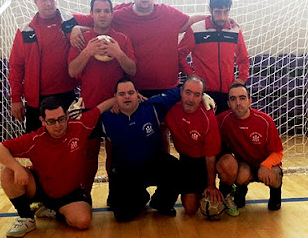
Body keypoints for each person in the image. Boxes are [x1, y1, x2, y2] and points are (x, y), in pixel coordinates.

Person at [0, 95, 115, 237]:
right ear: (42, 121)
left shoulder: (80, 126)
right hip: (41, 188)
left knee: (83, 221)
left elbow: (100, 108)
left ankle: (54, 210)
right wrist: (17, 168)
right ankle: (26, 217)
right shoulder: (35, 139)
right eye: (51, 121)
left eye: (61, 119)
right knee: (8, 172)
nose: (58, 125)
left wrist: (121, 98)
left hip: (70, 193)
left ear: (67, 115)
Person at [71, 0, 206, 97]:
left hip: (168, 89)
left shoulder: (169, 13)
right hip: (133, 92)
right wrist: (76, 28)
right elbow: (96, 22)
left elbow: (190, 21)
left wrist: (218, 18)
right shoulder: (118, 15)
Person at [68, 0, 136, 194]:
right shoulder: (83, 39)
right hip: (90, 106)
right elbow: (72, 71)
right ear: (91, 14)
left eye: (106, 11)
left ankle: (115, 195)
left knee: (115, 154)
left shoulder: (122, 39)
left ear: (112, 13)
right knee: (89, 155)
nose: (102, 15)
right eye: (98, 11)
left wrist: (119, 53)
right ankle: (85, 195)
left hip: (117, 107)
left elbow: (132, 70)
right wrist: (88, 51)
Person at [101, 77, 182, 222]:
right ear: (115, 97)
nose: (127, 96)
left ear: (137, 94)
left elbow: (180, 90)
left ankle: (161, 203)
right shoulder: (107, 118)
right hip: (126, 173)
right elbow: (84, 118)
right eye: (122, 94)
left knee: (176, 167)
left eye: (130, 92)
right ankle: (140, 197)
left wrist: (204, 94)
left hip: (153, 165)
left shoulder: (152, 107)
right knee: (122, 215)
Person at [9, 0, 79, 133]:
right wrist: (15, 98)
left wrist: (79, 28)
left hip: (67, 95)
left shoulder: (70, 22)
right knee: (38, 147)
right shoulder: (25, 31)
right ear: (35, 1)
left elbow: (97, 23)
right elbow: (16, 67)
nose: (48, 3)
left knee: (71, 144)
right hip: (37, 100)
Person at [164, 76, 238, 216]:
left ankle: (226, 192)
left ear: (202, 97)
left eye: (197, 95)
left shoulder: (207, 116)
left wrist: (211, 185)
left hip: (209, 157)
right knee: (190, 208)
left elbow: (210, 156)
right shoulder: (171, 109)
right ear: (181, 92)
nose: (191, 99)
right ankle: (202, 190)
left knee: (229, 165)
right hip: (188, 160)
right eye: (188, 92)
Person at [216, 83, 283, 213]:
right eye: (233, 99)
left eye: (242, 98)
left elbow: (278, 152)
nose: (238, 103)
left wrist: (266, 165)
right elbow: (204, 123)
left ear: (249, 101)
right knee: (241, 174)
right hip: (245, 165)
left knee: (274, 175)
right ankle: (240, 192)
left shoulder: (265, 121)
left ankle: (275, 196)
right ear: (228, 103)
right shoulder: (223, 120)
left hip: (266, 165)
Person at [178, 0, 250, 114]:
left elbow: (243, 59)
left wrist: (242, 78)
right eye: (218, 12)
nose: (222, 17)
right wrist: (192, 76)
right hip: (204, 92)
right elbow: (179, 55)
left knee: (225, 131)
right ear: (210, 9)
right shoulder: (196, 29)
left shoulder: (235, 30)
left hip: (228, 92)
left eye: (226, 12)